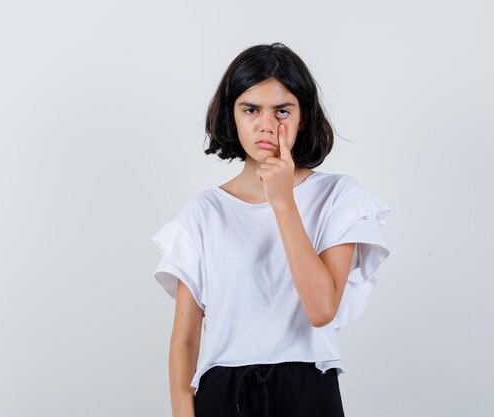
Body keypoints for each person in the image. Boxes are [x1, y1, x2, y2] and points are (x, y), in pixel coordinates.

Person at [149, 42, 391, 417]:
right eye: (251, 109)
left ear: (303, 117)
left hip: (307, 387)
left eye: (282, 110)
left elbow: (322, 309)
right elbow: (184, 339)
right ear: (232, 116)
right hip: (224, 392)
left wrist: (282, 201)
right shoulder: (203, 212)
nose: (267, 125)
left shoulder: (338, 197)